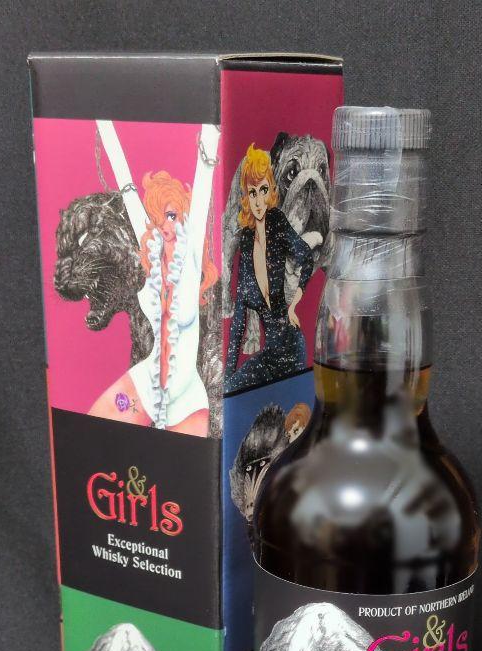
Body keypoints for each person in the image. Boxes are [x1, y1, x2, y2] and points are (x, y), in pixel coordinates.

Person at [90, 171, 218, 436]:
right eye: (158, 218)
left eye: (171, 216)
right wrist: (110, 142)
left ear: (184, 216)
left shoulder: (190, 261)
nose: (165, 225)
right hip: (148, 382)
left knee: (182, 463)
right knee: (90, 434)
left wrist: (208, 154)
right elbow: (129, 193)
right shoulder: (152, 261)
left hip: (186, 399)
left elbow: (204, 179)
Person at [224, 144, 314, 393]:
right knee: (232, 386)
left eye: (263, 190)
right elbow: (238, 325)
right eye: (252, 192)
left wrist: (294, 304)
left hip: (291, 348)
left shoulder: (277, 223)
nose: (258, 200)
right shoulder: (245, 240)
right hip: (270, 356)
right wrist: (226, 382)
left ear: (271, 190)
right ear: (246, 196)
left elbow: (306, 258)